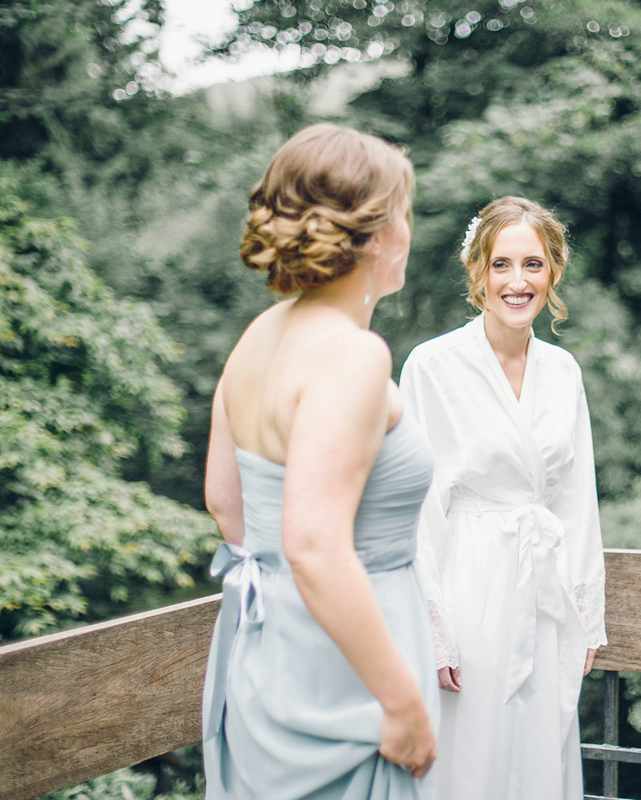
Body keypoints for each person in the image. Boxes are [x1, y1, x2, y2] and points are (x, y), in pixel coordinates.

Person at [201, 123, 439, 799]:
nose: (409, 232)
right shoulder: (352, 355)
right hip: (346, 679)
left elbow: (227, 503)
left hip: (269, 649)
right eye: (405, 213)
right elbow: (313, 545)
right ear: (376, 232)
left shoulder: (261, 334)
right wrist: (399, 702)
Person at [399, 196, 607, 800]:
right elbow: (416, 508)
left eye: (533, 265)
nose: (518, 282)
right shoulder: (431, 366)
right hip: (468, 586)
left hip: (544, 597)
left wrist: (585, 612)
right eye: (502, 265)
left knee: (539, 750)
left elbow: (576, 500)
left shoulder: (563, 371)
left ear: (554, 271)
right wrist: (431, 625)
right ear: (477, 273)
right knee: (469, 758)